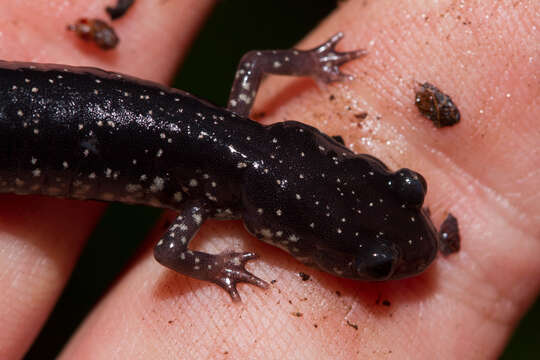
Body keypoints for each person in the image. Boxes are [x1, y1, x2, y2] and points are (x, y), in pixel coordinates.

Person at [0, 0, 538, 358]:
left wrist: (307, 62)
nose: (413, 201)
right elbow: (171, 253)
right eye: (373, 262)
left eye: (407, 187)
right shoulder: (211, 195)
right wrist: (213, 266)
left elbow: (255, 62)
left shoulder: (228, 153)